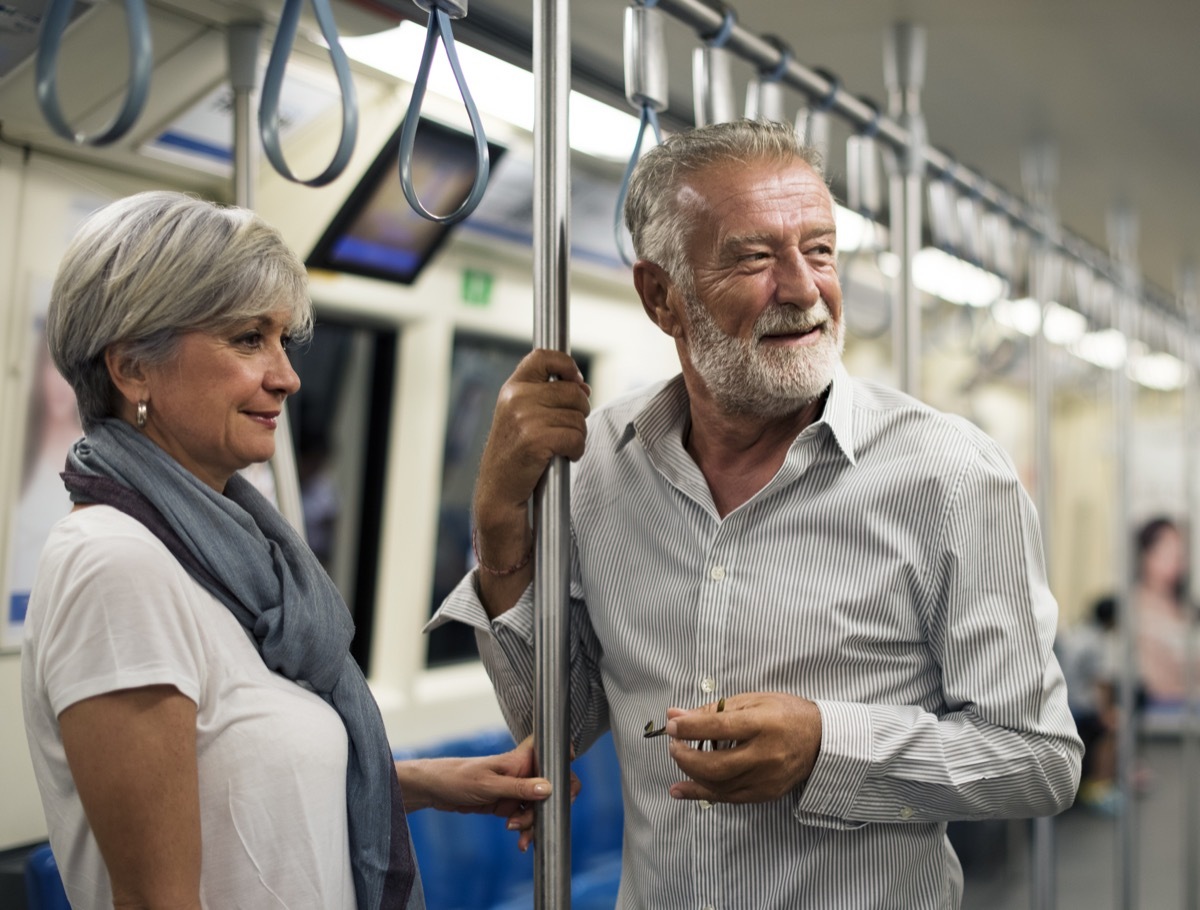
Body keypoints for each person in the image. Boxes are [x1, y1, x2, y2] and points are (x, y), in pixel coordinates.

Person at [430, 119, 1082, 907]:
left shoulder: (949, 476)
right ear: (661, 296)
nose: (805, 288)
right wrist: (502, 520)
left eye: (819, 249)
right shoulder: (594, 466)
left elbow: (1039, 761)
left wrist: (825, 748)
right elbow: (555, 725)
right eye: (754, 257)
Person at [21, 191, 560, 910]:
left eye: (282, 341)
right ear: (132, 369)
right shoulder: (117, 566)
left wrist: (431, 784)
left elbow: (232, 785)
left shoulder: (232, 559)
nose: (286, 376)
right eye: (247, 339)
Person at [1057, 596, 1121, 814]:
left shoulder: (1079, 633)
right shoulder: (1096, 642)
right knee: (1112, 730)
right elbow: (1101, 682)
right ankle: (1099, 787)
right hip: (1078, 707)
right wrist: (1107, 714)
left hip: (1063, 704)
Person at [1133, 516, 1193, 707]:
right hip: (1163, 710)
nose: (1177, 561)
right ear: (1146, 555)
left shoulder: (1184, 608)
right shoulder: (1135, 608)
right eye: (1168, 552)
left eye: (1179, 554)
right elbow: (1154, 681)